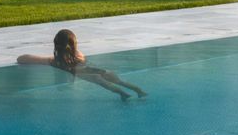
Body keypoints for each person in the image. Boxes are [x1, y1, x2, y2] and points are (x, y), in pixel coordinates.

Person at [18, 29, 147, 100]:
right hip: (99, 70)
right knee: (120, 81)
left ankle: (123, 94)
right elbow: (83, 60)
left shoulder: (55, 61)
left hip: (89, 75)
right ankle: (139, 90)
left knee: (104, 83)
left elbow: (21, 58)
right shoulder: (79, 55)